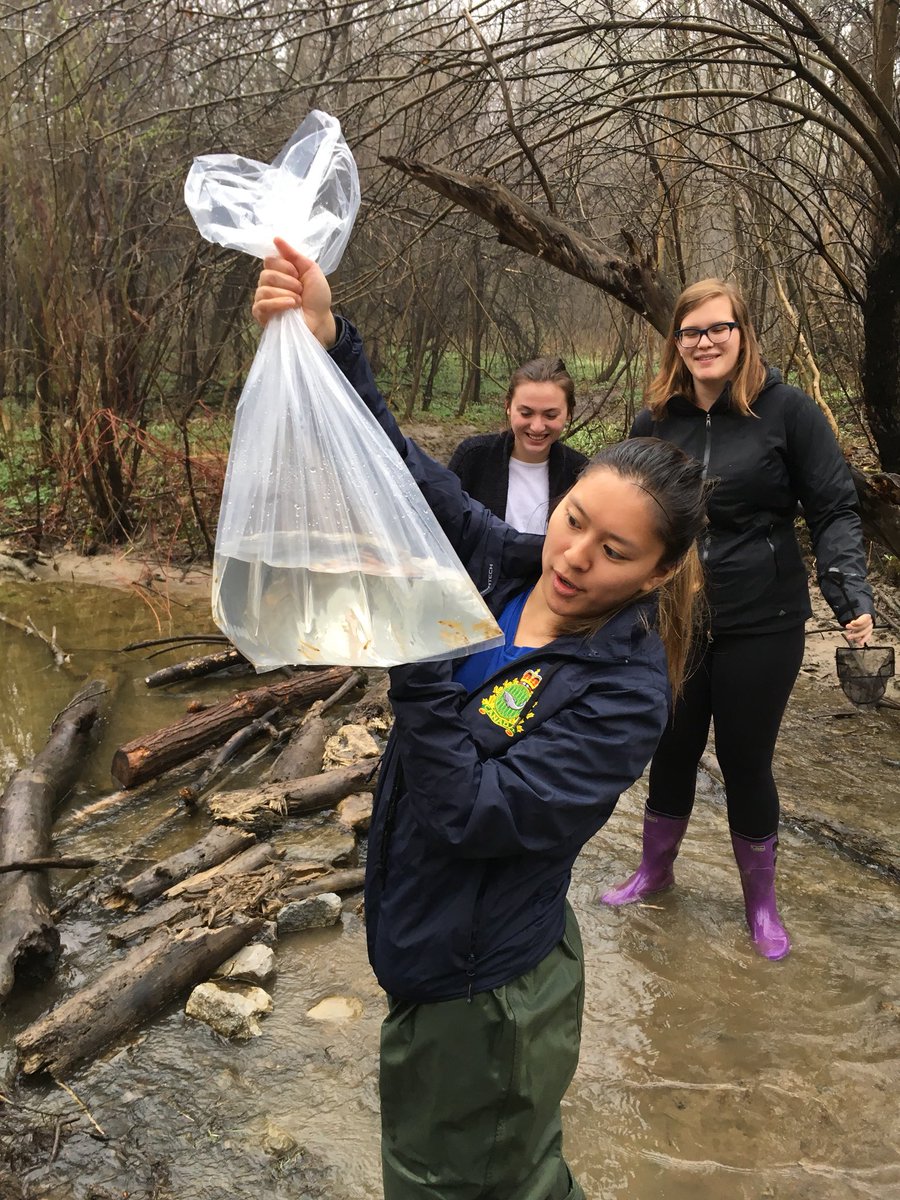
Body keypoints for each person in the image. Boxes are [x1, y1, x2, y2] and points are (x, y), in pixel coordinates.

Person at [253, 239, 711, 1200]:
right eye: (575, 518)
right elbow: (408, 474)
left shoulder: (625, 696)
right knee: (504, 1175)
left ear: (658, 575)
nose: (575, 555)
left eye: (614, 550)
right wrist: (332, 339)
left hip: (486, 993)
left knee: (455, 1185)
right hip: (435, 958)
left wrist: (413, 644)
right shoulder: (505, 564)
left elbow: (472, 813)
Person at [601, 278, 875, 961]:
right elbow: (625, 516)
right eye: (691, 332)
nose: (705, 342)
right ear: (677, 343)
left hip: (766, 616)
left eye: (718, 329)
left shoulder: (789, 413)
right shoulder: (655, 422)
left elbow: (835, 507)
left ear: (742, 333)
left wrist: (849, 593)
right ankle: (653, 871)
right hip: (674, 618)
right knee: (670, 746)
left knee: (745, 760)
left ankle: (761, 907)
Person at [448, 359, 588, 533]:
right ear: (508, 407)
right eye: (526, 413)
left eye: (550, 415)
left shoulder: (580, 473)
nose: (537, 426)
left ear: (569, 413)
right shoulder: (473, 457)